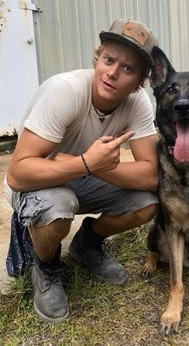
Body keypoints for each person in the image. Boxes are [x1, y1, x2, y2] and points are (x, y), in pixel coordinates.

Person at [6, 18, 159, 324]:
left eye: (127, 69)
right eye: (108, 60)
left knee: (149, 202)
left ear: (141, 80)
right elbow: (16, 174)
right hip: (39, 184)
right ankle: (46, 267)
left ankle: (86, 244)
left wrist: (92, 166)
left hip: (82, 174)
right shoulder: (66, 91)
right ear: (98, 57)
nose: (112, 73)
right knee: (57, 206)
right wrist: (86, 164)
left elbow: (152, 175)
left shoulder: (138, 103)